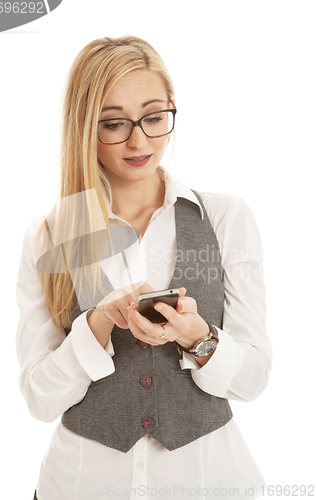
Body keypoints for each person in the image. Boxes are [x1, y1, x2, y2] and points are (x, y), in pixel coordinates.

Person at [16, 36, 272, 500]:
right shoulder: (50, 236)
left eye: (154, 118)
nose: (140, 141)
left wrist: (198, 336)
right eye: (114, 124)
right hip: (80, 486)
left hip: (211, 484)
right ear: (84, 127)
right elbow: (39, 398)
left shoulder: (226, 219)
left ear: (172, 109)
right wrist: (94, 325)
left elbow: (254, 379)